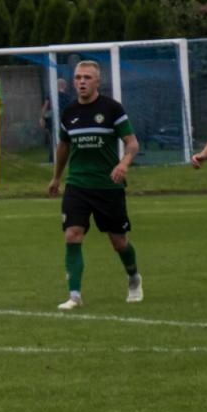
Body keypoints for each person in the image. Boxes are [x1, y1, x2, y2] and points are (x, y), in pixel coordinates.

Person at [47, 60, 141, 310]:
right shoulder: (69, 112)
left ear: (98, 81)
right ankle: (74, 295)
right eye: (78, 77)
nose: (82, 82)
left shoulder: (111, 109)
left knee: (118, 242)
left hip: (108, 186)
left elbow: (132, 143)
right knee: (72, 234)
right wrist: (57, 177)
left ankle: (133, 277)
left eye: (87, 77)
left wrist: (124, 164)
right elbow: (64, 146)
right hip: (77, 184)